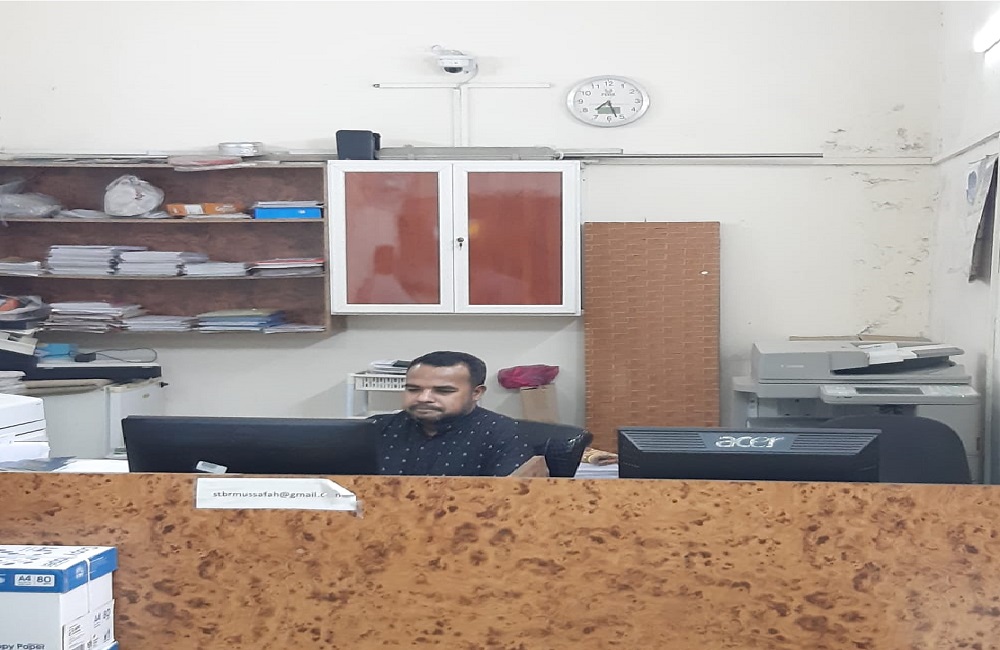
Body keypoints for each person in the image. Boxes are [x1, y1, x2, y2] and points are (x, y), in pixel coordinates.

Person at [368, 351, 534, 476]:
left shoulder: (503, 433)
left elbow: (511, 500)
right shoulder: (376, 428)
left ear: (476, 393)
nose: (423, 398)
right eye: (413, 389)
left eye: (443, 391)